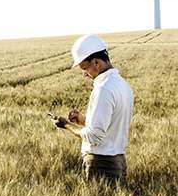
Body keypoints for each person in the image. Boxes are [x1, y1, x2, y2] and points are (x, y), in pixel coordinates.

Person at [52, 34, 134, 186]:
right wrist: (83, 120)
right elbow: (111, 124)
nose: (84, 74)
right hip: (118, 160)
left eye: (84, 68)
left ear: (96, 62)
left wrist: (67, 125)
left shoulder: (103, 89)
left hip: (101, 163)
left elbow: (94, 135)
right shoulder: (123, 85)